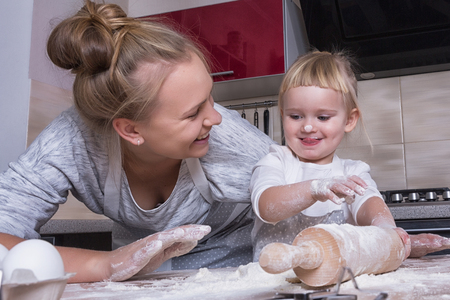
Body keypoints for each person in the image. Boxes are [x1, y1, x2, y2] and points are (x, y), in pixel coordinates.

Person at [0, 1, 275, 283]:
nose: (215, 118)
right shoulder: (71, 141)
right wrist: (104, 265)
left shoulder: (229, 139)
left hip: (235, 264)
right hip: (142, 269)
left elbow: (309, 197)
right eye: (193, 113)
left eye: (210, 97)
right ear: (130, 131)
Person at [249, 50, 449, 261]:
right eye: (295, 116)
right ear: (282, 115)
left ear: (349, 120)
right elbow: (267, 206)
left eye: (323, 117)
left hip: (335, 287)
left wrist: (386, 229)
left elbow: (369, 203)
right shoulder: (275, 161)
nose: (307, 126)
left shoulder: (352, 171)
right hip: (272, 287)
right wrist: (317, 188)